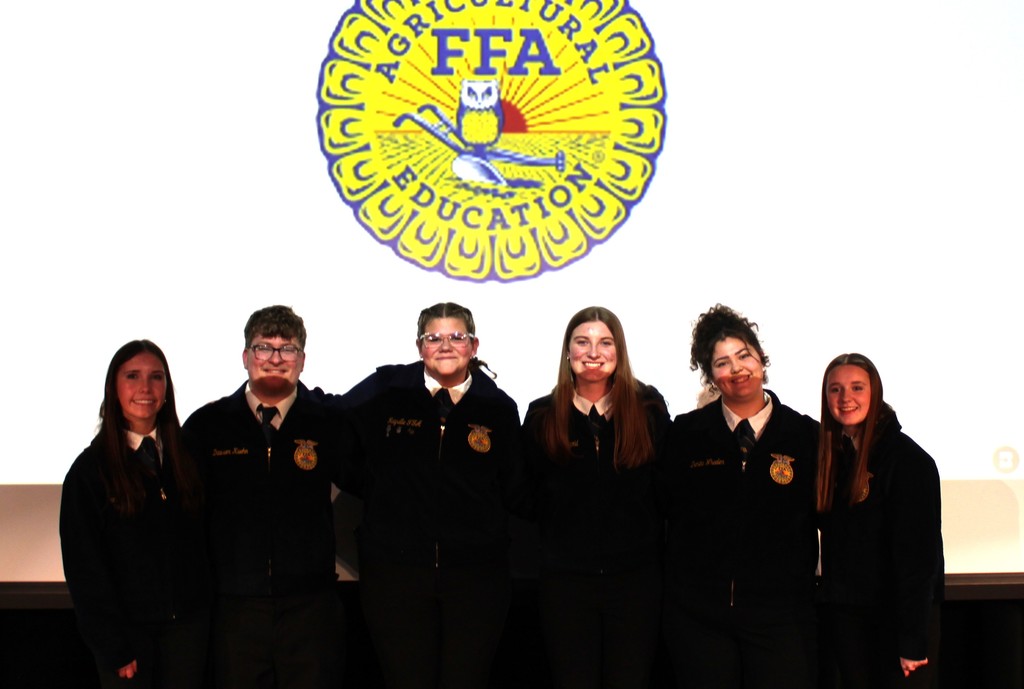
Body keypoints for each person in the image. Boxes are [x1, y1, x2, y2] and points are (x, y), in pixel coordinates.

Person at [336, 302, 526, 689]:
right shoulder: (386, 391)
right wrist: (376, 486)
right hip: (395, 574)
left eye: (456, 337)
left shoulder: (498, 408)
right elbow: (335, 425)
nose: (445, 346)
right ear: (419, 346)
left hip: (475, 578)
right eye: (433, 338)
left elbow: (514, 486)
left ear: (474, 346)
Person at [183, 305, 349, 689]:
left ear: (302, 361)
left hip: (310, 607)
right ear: (246, 357)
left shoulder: (328, 423)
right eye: (264, 348)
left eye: (287, 349)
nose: (275, 359)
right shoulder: (207, 426)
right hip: (235, 609)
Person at [660, 304, 819, 689]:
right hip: (701, 619)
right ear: (711, 375)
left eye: (744, 355)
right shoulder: (686, 433)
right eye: (722, 363)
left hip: (781, 618)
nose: (737, 369)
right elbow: (666, 511)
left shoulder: (806, 435)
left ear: (761, 358)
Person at [521, 306, 670, 689]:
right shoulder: (541, 415)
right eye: (582, 342)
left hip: (634, 583)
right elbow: (526, 494)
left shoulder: (649, 410)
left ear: (619, 351)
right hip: (565, 584)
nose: (593, 352)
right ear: (567, 351)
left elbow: (666, 491)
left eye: (605, 342)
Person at [60, 340, 211, 688]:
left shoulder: (189, 457)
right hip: (128, 641)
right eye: (132, 376)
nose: (145, 387)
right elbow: (84, 569)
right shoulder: (89, 472)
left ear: (167, 389)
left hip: (187, 634)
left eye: (156, 377)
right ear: (113, 389)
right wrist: (111, 644)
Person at [815, 353, 944, 688]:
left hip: (895, 625)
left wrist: (912, 640)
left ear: (876, 393)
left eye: (857, 387)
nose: (845, 398)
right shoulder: (834, 457)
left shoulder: (908, 461)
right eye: (835, 389)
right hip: (849, 620)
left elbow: (919, 561)